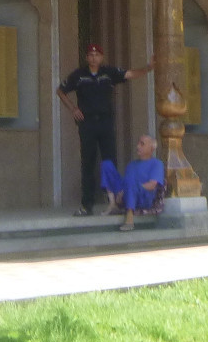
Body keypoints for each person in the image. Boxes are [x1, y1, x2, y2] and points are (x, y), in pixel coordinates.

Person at [57, 44, 150, 216]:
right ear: (87, 57)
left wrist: (148, 68)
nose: (94, 58)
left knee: (109, 163)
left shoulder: (108, 73)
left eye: (97, 55)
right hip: (87, 124)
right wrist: (73, 109)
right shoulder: (79, 75)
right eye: (91, 55)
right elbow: (61, 91)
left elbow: (129, 74)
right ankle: (87, 205)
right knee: (88, 164)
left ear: (102, 57)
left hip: (105, 123)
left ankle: (115, 202)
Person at [117, 134, 166, 231]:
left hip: (144, 198)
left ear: (151, 148)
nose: (138, 146)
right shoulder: (131, 165)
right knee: (107, 166)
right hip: (128, 194)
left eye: (142, 144)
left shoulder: (157, 164)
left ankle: (130, 218)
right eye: (138, 143)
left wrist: (134, 187)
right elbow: (125, 184)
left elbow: (152, 185)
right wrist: (121, 192)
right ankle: (113, 204)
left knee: (131, 183)